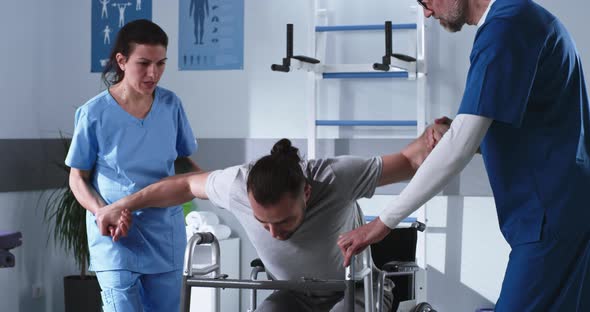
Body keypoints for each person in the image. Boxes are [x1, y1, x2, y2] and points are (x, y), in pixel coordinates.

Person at [337, 0, 590, 310]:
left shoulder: (505, 28)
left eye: (425, 1)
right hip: (566, 212)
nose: (427, 12)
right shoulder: (524, 18)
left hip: (549, 221)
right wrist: (462, 136)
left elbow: (460, 147)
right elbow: (529, 129)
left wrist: (383, 222)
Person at [94, 124, 448, 312]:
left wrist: (437, 135)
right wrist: (123, 204)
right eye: (264, 224)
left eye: (284, 221)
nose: (274, 234)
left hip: (358, 290)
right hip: (293, 295)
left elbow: (411, 159)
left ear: (306, 193)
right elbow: (185, 184)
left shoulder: (336, 177)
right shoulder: (235, 185)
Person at [65, 19, 200, 312]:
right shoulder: (94, 114)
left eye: (161, 63)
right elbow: (78, 178)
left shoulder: (171, 105)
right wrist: (103, 211)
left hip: (165, 236)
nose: (154, 73)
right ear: (122, 61)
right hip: (116, 238)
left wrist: (221, 186)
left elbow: (185, 162)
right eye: (144, 63)